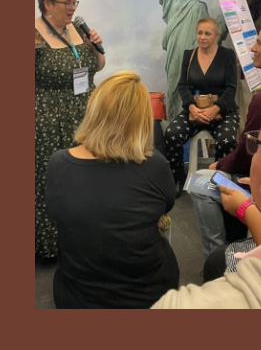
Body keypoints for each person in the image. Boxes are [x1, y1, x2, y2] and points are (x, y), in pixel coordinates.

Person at [45, 71, 178, 309]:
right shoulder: (155, 164)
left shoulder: (58, 164)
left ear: (94, 110)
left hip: (77, 296)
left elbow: (58, 216)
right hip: (149, 296)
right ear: (141, 118)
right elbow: (166, 205)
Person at [153, 89, 261, 308]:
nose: (253, 50)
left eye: (255, 144)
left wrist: (245, 208)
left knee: (217, 258)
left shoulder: (180, 305)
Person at [186, 22, 261, 269]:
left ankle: (218, 258)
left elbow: (248, 156)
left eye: (259, 43)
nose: (253, 48)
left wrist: (219, 164)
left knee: (200, 180)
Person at [35, 0, 106, 258]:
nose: (72, 8)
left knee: (87, 179)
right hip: (48, 120)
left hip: (84, 115)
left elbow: (97, 66)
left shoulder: (77, 29)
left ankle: (87, 238)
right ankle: (52, 245)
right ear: (47, 4)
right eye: (67, 2)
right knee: (54, 182)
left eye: (74, 2)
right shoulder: (35, 34)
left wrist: (96, 46)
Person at [162, 18, 241, 190]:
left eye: (207, 33)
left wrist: (215, 108)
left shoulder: (227, 55)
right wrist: (192, 107)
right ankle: (177, 179)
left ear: (216, 35)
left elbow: (231, 89)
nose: (203, 37)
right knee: (171, 134)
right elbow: (182, 86)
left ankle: (221, 183)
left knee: (227, 141)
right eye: (200, 33)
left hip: (223, 110)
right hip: (194, 109)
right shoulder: (188, 55)